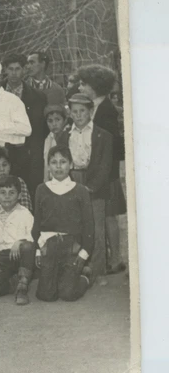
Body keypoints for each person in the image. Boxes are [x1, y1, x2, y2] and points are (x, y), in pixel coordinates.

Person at [56, 93, 113, 282]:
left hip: (94, 183)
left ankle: (98, 271)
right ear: (69, 113)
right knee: (75, 227)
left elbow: (105, 165)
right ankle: (78, 268)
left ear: (91, 111)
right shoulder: (64, 136)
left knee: (96, 229)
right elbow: (61, 162)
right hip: (73, 180)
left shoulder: (103, 135)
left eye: (82, 111)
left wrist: (92, 187)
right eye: (74, 111)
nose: (78, 115)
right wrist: (68, 185)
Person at [77, 64, 127, 276]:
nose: (80, 87)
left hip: (108, 172)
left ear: (95, 86)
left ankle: (115, 259)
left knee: (109, 216)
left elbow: (110, 145)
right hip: (103, 170)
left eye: (83, 84)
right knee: (105, 216)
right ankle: (111, 257)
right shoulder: (97, 106)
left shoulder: (105, 110)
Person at [32, 146, 94, 302]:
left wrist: (84, 252)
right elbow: (37, 223)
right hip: (49, 246)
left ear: (71, 164)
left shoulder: (80, 190)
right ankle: (60, 276)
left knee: (67, 294)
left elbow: (89, 225)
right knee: (46, 295)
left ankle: (84, 277)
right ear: (48, 166)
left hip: (72, 246)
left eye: (63, 162)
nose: (58, 166)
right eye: (54, 162)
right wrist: (38, 250)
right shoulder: (41, 189)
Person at [0, 176, 36, 305]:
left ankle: (22, 287)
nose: (7, 197)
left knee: (27, 247)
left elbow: (33, 236)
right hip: (4, 257)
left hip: (22, 254)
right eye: (3, 193)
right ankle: (14, 283)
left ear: (19, 195)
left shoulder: (24, 213)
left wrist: (20, 241)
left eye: (11, 193)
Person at [1, 54, 48, 201]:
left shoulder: (38, 96)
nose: (14, 73)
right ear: (5, 70)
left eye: (18, 69)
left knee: (27, 195)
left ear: (24, 70)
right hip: (2, 153)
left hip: (26, 155)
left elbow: (40, 130)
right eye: (10, 69)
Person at [43, 105, 68, 182]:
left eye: (57, 120)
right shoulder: (48, 139)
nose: (54, 124)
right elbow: (46, 164)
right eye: (50, 121)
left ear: (65, 120)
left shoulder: (69, 137)